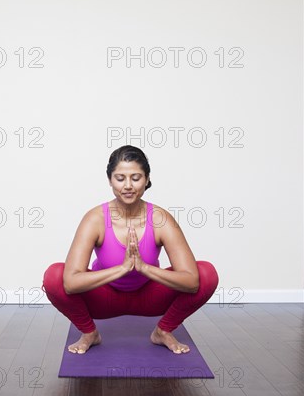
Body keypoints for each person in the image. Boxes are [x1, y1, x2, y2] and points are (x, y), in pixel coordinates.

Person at [42, 145, 219, 355]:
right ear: (110, 180)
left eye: (135, 178)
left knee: (207, 273)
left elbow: (192, 282)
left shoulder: (160, 219)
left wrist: (143, 267)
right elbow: (70, 283)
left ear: (146, 179)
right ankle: (90, 333)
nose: (128, 185)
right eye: (120, 178)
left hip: (149, 297)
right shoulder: (95, 219)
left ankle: (163, 331)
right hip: (104, 298)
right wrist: (122, 268)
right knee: (54, 275)